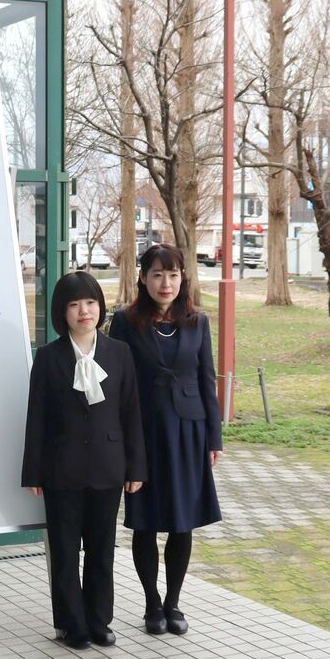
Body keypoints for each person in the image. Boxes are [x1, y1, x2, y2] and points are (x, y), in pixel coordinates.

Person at [21, 271, 147, 650]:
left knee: (101, 550)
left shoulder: (119, 353)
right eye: (74, 304)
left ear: (100, 307)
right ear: (63, 312)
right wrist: (33, 471)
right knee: (64, 551)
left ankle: (99, 621)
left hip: (108, 468)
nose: (83, 311)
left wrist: (136, 467)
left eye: (90, 302)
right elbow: (36, 417)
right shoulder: (48, 357)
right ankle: (71, 624)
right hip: (62, 469)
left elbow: (131, 413)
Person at [109, 244, 222, 636]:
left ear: (183, 279)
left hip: (189, 431)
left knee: (181, 522)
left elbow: (207, 380)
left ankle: (173, 602)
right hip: (144, 433)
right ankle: (151, 604)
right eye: (157, 274)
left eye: (173, 275)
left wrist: (214, 437)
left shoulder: (197, 322)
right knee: (146, 522)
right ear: (143, 278)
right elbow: (117, 381)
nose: (166, 282)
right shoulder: (125, 321)